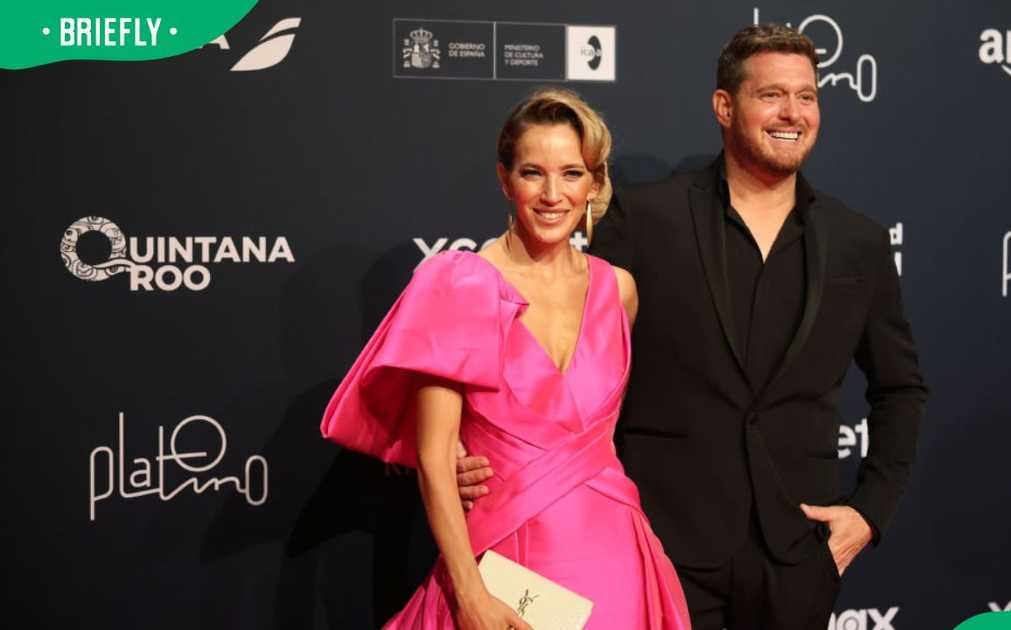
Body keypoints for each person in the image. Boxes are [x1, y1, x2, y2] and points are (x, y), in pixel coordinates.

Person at [459, 24, 928, 629]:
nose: (792, 113)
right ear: (724, 107)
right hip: (659, 546)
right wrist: (456, 443)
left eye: (807, 96)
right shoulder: (647, 217)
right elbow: (548, 341)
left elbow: (902, 389)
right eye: (771, 95)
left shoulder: (858, 242)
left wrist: (869, 511)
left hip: (797, 553)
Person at [321, 88, 691, 629]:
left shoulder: (619, 290)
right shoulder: (458, 284)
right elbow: (434, 458)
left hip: (616, 555)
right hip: (506, 563)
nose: (552, 194)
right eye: (532, 173)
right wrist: (470, 595)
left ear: (594, 183)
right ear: (504, 179)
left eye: (571, 173)